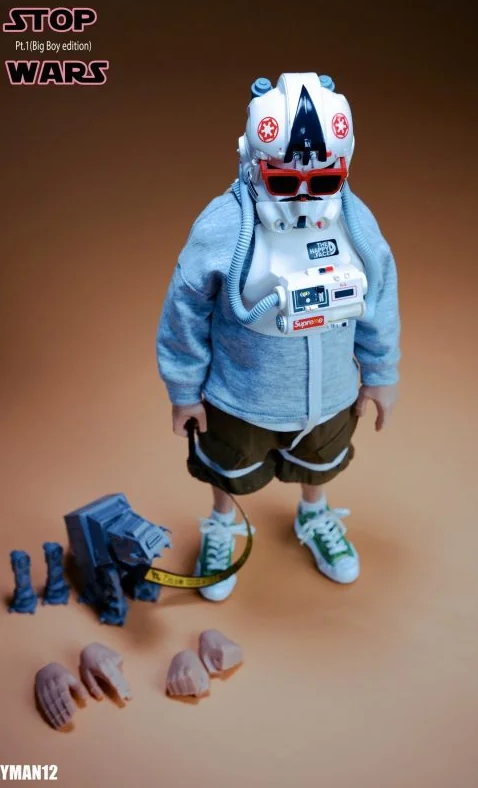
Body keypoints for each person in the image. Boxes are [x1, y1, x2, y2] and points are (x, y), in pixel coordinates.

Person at [156, 72, 400, 601]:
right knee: (228, 468)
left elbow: (379, 295)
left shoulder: (355, 224)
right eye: (285, 182)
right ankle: (224, 524)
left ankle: (314, 513)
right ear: (253, 164)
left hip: (330, 392)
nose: (304, 197)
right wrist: (184, 390)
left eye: (324, 181)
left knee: (321, 458)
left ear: (344, 167)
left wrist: (380, 373)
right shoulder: (225, 227)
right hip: (241, 396)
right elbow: (185, 310)